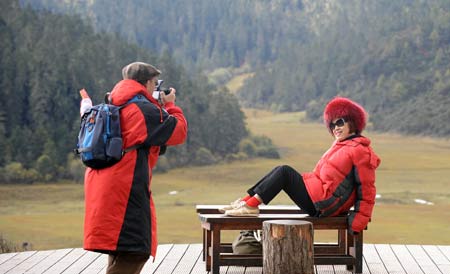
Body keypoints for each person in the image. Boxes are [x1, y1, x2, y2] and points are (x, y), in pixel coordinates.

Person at [81, 62, 188, 274]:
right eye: (155, 83)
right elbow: (179, 131)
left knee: (121, 247)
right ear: (148, 82)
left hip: (103, 182)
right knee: (135, 249)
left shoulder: (112, 103)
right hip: (125, 187)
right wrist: (170, 105)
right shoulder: (144, 110)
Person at [221, 97, 380, 234]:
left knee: (284, 172)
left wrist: (360, 220)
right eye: (332, 125)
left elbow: (367, 188)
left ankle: (250, 207)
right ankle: (245, 202)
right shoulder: (341, 145)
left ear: (352, 122)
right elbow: (321, 175)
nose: (335, 128)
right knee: (281, 170)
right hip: (320, 198)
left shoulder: (360, 151)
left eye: (340, 122)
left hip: (324, 205)